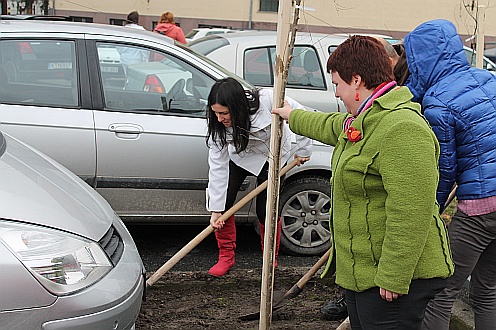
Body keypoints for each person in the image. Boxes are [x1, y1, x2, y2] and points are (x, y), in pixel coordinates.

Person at [272, 35, 454, 329]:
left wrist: (394, 274)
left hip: (394, 278)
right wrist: (293, 116)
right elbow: (334, 127)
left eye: (337, 85)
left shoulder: (403, 128)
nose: (336, 94)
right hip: (365, 272)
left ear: (356, 80)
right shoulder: (370, 117)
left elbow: (411, 211)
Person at [402, 19, 496, 330]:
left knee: (440, 292)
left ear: (420, 60)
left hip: (481, 209)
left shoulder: (438, 103)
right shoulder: (488, 79)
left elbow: (444, 169)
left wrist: (431, 210)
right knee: (488, 290)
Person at [205, 77, 312, 277]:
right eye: (215, 113)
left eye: (224, 113)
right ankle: (226, 256)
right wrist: (216, 210)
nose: (219, 118)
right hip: (241, 156)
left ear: (237, 107)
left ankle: (269, 256)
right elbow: (217, 167)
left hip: (272, 157)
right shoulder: (217, 126)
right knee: (224, 204)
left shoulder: (269, 99)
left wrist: (304, 150)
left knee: (266, 210)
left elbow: (300, 116)